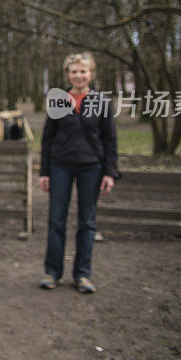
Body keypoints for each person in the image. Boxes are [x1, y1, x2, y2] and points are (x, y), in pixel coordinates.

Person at [39, 52, 119, 293]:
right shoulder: (58, 101)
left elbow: (110, 140)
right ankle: (53, 273)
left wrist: (109, 172)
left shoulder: (102, 102)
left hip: (91, 168)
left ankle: (82, 275)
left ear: (91, 74)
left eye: (83, 71)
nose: (79, 75)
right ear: (68, 75)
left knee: (87, 222)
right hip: (60, 166)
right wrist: (45, 172)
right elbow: (47, 139)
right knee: (56, 221)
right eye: (74, 71)